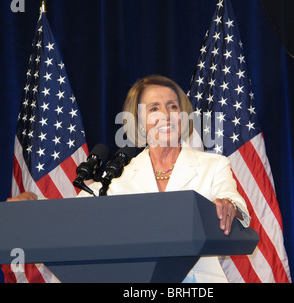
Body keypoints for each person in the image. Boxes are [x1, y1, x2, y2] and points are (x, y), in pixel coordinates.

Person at [79, 75, 250, 283]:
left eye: (172, 107)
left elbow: (237, 207)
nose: (166, 115)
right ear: (139, 122)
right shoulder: (117, 176)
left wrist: (229, 205)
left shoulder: (213, 165)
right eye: (154, 109)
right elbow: (75, 215)